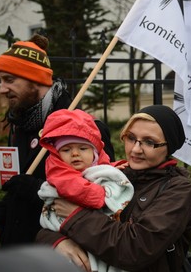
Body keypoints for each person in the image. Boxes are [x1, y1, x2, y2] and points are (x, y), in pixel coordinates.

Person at [0, 34, 114, 247]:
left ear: (34, 79)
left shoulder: (84, 128)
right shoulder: (21, 124)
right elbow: (16, 187)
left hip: (56, 254)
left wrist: (36, 189)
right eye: (0, 80)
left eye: (9, 79)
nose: (1, 89)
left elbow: (103, 197)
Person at [36, 105, 191, 272]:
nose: (135, 149)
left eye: (149, 142)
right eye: (131, 138)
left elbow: (136, 249)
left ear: (168, 146)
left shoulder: (178, 189)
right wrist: (55, 241)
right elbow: (48, 219)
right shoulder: (110, 174)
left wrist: (76, 218)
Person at [37, 109, 133, 272]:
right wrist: (101, 195)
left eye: (82, 148)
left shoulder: (98, 169)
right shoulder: (60, 173)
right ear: (58, 155)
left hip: (98, 236)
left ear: (94, 153)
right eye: (66, 150)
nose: (75, 154)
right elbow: (75, 188)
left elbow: (103, 168)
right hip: (70, 234)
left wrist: (114, 167)